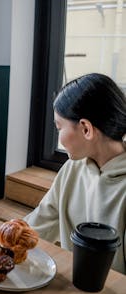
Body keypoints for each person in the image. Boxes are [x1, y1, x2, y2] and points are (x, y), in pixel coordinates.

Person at [25, 73, 126, 274]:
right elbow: (41, 221)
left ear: (86, 129)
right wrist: (3, 240)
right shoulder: (74, 167)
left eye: (59, 127)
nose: (58, 136)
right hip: (69, 283)